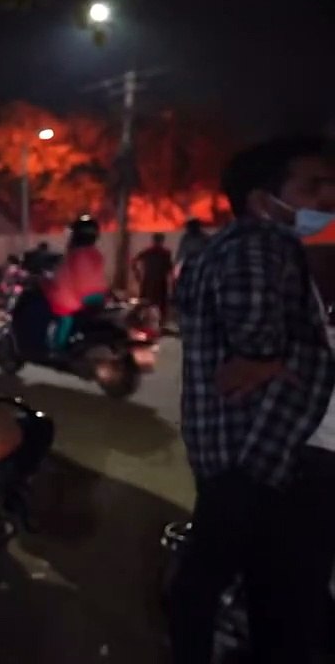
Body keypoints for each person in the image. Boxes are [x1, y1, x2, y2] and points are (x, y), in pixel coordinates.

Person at [168, 136, 335, 664]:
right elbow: (256, 343)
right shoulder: (257, 246)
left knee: (265, 588)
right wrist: (283, 358)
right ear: (265, 200)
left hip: (256, 449)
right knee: (264, 593)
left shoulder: (287, 250)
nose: (329, 197)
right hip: (259, 449)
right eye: (313, 186)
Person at [43, 215, 108, 352]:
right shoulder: (96, 254)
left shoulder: (73, 255)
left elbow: (62, 279)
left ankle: (58, 348)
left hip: (78, 298)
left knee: (64, 316)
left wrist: (46, 284)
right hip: (99, 297)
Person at [132, 232, 174, 324]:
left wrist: (137, 274)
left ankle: (142, 322)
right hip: (158, 284)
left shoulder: (149, 252)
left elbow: (134, 261)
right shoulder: (164, 253)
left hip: (150, 283)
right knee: (157, 307)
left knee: (145, 305)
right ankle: (157, 324)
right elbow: (170, 270)